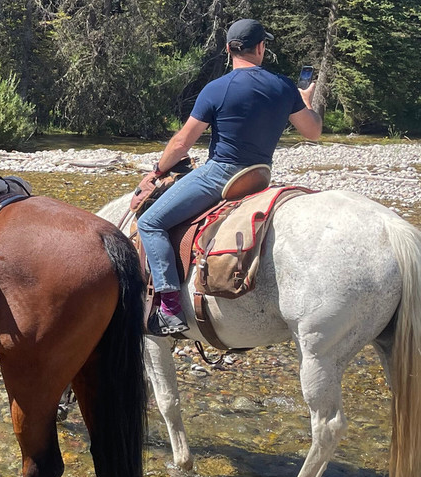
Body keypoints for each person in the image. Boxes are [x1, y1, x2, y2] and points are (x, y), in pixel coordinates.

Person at [132, 18, 322, 336]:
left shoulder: (217, 89)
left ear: (228, 49)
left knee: (150, 223)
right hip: (259, 176)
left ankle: (168, 306)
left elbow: (182, 143)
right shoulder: (284, 86)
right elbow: (313, 132)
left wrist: (157, 171)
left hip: (220, 175)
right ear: (261, 48)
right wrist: (305, 100)